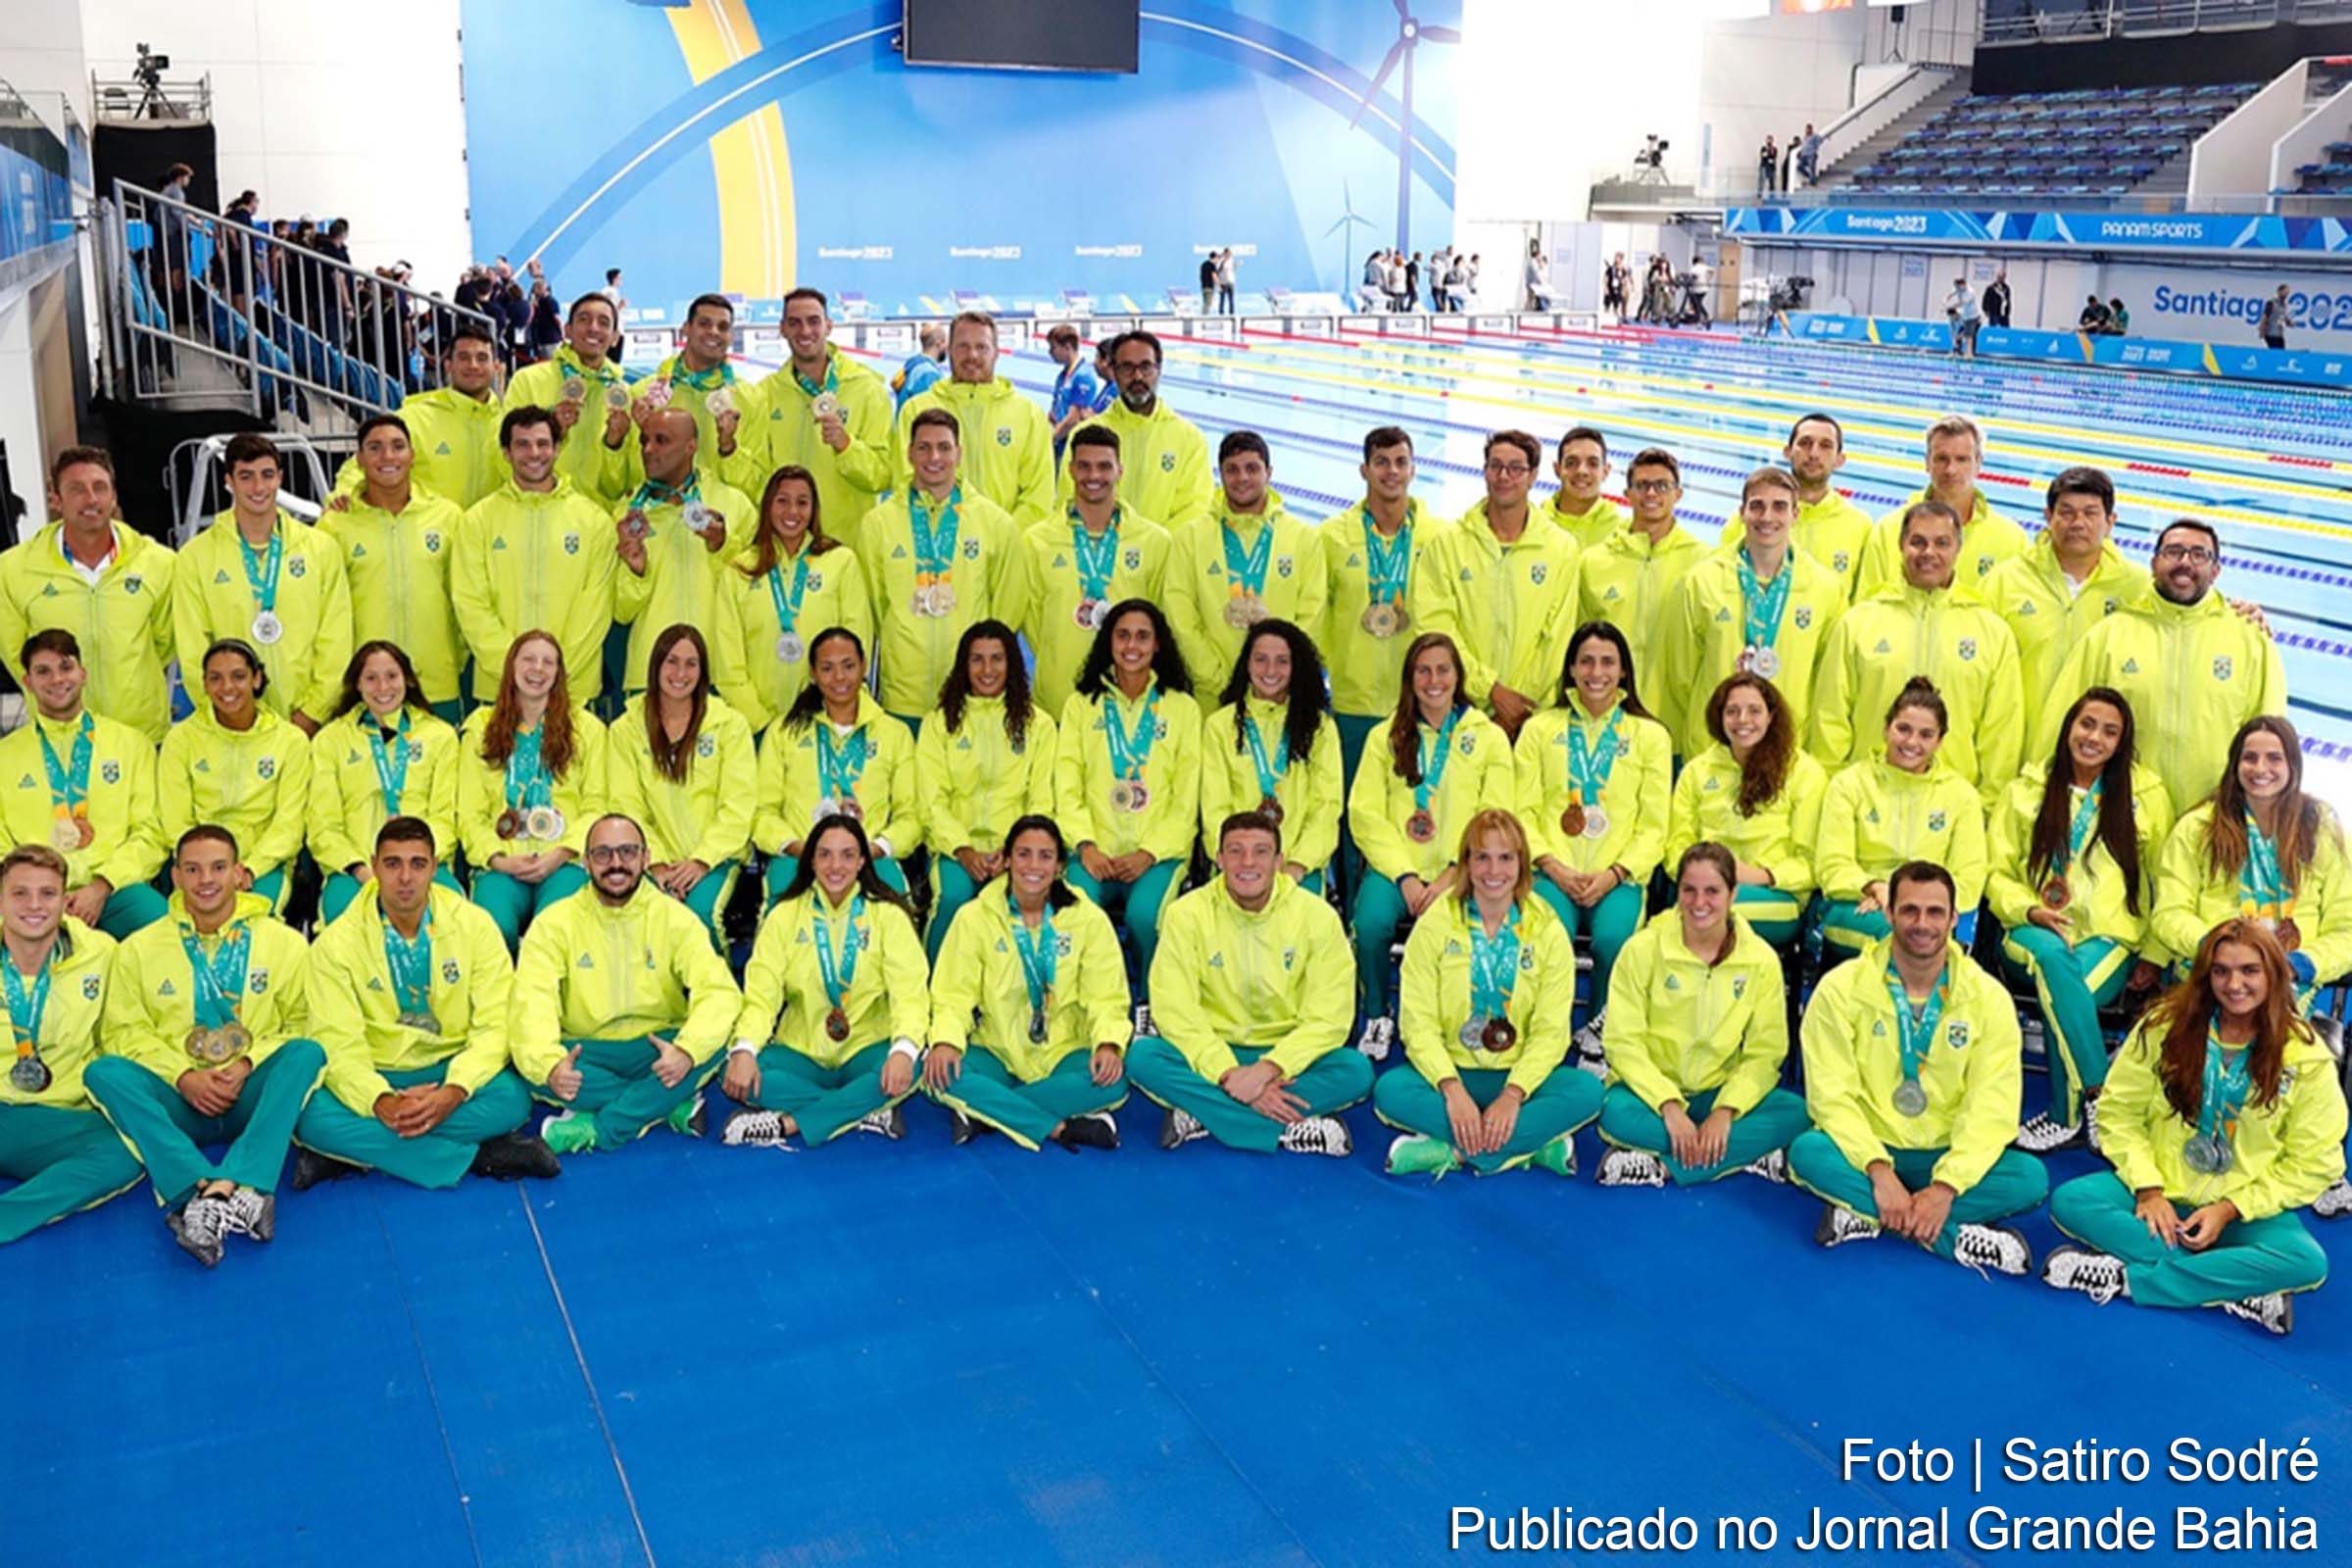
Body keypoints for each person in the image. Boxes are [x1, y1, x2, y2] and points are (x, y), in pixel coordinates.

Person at [2044, 920, 2343, 1335]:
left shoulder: (2305, 1055)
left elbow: (2315, 1161)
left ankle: (2128, 1279)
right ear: (2205, 976)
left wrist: (2232, 1208)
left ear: (2273, 974)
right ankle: (2233, 1286)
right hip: (2159, 1194)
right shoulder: (2164, 1028)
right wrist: (2148, 1188)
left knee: (2306, 1262)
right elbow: (2118, 1112)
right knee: (2072, 1201)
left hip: (2241, 1207)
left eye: (2249, 971)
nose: (2234, 984)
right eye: (2221, 971)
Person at [1788, 860, 2046, 1276]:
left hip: (1946, 1151)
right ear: (1888, 913)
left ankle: (1866, 1214)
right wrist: (1878, 1170)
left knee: (2030, 1179)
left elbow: (1992, 1109)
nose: (1921, 923)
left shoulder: (1988, 998)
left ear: (1954, 919)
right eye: (1909, 910)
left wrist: (1946, 1186)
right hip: (1870, 1149)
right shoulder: (1839, 989)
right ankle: (1954, 1238)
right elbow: (1831, 1097)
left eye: (1934, 912)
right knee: (1807, 1154)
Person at [86, 825, 325, 1267]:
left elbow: (303, 1022)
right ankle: (199, 1189)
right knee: (103, 1074)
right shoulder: (138, 949)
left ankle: (242, 1185)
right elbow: (123, 1033)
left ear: (239, 873)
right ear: (175, 877)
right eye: (192, 869)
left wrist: (249, 1064)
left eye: (218, 868)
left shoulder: (285, 943)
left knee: (307, 1055)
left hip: (249, 1095)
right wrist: (182, 1074)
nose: (206, 880)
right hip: (179, 1102)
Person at [293, 817, 555, 1189]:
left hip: (450, 1065)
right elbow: (337, 1043)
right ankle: (480, 1156)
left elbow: (495, 1025)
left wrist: (456, 1089)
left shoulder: (475, 927)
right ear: (374, 865)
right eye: (392, 864)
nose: (405, 878)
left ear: (434, 867)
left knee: (512, 1098)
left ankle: (355, 1152)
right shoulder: (336, 944)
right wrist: (380, 1099)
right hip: (380, 1070)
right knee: (311, 1115)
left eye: (417, 864)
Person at [1991, 688, 2172, 1152]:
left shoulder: (2145, 796)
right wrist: (2027, 909)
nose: (2094, 738)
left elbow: (2161, 881)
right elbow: (1994, 873)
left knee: (2067, 993)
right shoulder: (2027, 789)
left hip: (2107, 940)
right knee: (2054, 961)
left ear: (2122, 742)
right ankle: (2099, 1093)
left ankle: (2065, 1116)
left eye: (2109, 731)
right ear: (2069, 726)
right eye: (2086, 724)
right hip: (2029, 930)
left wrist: (2153, 953)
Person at [1129, 811, 1368, 1155]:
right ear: (1219, 859)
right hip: (1214, 1051)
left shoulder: (1317, 917)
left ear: (1278, 861)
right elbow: (1175, 1011)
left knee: (1356, 1070)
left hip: (1287, 1059)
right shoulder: (1185, 914)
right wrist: (1227, 1073)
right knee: (1142, 1056)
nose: (1247, 862)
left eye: (1260, 852)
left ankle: (1205, 1115)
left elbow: (1330, 1018)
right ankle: (1288, 1129)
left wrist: (1270, 1068)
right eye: (1236, 851)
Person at [1375, 808, 1594, 1176]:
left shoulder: (1548, 929)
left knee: (1587, 1092)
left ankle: (1453, 1152)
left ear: (1523, 864)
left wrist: (1513, 1095)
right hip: (1453, 1070)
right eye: (1483, 858)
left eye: (1506, 858)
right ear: (1466, 863)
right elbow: (1418, 1023)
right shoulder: (1435, 924)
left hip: (1520, 1076)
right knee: (1389, 1090)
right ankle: (1529, 1146)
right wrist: (1452, 1090)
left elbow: (1551, 1031)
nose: (1494, 872)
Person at [510, 813, 741, 1155]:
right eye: (602, 854)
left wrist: (687, 1050)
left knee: (723, 1038)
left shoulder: (675, 918)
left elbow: (718, 992)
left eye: (627, 852)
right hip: (586, 1053)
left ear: (646, 859)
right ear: (586, 863)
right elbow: (532, 1004)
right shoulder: (553, 923)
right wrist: (550, 1065)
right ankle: (666, 1104)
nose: (616, 864)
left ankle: (599, 1127)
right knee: (527, 1065)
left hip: (660, 1048)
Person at [1596, 842, 1808, 1187]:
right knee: (1609, 1113)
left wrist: (1726, 1111)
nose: (1699, 903)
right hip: (1649, 1095)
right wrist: (1668, 1104)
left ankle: (1662, 1167)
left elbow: (1765, 1054)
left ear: (1733, 893)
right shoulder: (1642, 949)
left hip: (1718, 1091)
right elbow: (1622, 1043)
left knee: (1798, 1112)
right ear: (1676, 892)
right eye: (1689, 890)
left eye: (1712, 891)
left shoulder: (1761, 960)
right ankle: (1737, 1155)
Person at [2044, 519, 2287, 818]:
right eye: (2173, 552)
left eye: (2199, 554)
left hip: (2217, 814)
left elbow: (2272, 734)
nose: (2185, 562)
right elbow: (2062, 721)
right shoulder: (2111, 634)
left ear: (2216, 570)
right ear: (2154, 563)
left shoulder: (2249, 637)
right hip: (2121, 812)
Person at [1347, 632, 1516, 1056]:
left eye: (1443, 669)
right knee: (1369, 925)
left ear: (1458, 677)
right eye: (1423, 670)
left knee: (1448, 935)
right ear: (1410, 679)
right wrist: (1403, 874)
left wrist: (1454, 873)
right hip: (1396, 869)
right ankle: (1377, 1013)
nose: (1433, 680)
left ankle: (1436, 1020)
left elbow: (1493, 814)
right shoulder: (1385, 736)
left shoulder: (1488, 736)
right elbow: (1366, 814)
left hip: (1464, 871)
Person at [720, 812, 928, 1149]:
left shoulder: (888, 915)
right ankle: (861, 1109)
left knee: (915, 1063)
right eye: (825, 854)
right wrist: (744, 1049)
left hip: (866, 1051)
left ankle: (787, 1123)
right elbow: (761, 998)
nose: (836, 866)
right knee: (734, 1068)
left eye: (847, 855)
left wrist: (903, 1050)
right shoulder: (784, 916)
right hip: (802, 1053)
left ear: (862, 861)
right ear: (811, 860)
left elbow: (911, 995)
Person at [924, 814, 1130, 1150]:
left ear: (1061, 866)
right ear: (1006, 860)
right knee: (934, 1075)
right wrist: (946, 1041)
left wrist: (1108, 1044)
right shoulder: (974, 917)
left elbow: (1107, 997)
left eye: (1045, 856)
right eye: (1023, 854)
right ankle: (1058, 1127)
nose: (1033, 865)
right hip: (997, 1050)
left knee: (1115, 1080)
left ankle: (986, 1110)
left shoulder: (1088, 919)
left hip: (1066, 1051)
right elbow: (952, 995)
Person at [1812, 499, 2024, 810]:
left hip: (1952, 809)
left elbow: (2001, 732)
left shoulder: (1991, 631)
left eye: (1942, 543)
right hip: (1868, 802)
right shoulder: (1859, 622)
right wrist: (1835, 795)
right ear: (1900, 546)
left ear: (1958, 550)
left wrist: (1987, 807)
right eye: (1918, 542)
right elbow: (1830, 718)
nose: (1929, 553)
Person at [1515, 622, 1670, 1046]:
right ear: (1570, 669)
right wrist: (1552, 865)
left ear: (1623, 672)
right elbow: (1521, 811)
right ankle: (1543, 1032)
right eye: (1586, 661)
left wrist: (1615, 874)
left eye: (1607, 662)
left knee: (1612, 940)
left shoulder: (1650, 736)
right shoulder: (1540, 730)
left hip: (1617, 877)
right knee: (1547, 939)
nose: (1596, 672)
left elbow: (1655, 826)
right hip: (1550, 873)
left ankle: (1599, 1032)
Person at [1054, 601, 1202, 997]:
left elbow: (1186, 801)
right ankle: (1090, 1000)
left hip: (1156, 855)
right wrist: (1084, 845)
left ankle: (1150, 1002)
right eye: (1122, 635)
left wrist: (1150, 853)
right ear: (1108, 642)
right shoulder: (1080, 706)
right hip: (1093, 852)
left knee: (1143, 918)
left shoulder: (1183, 708)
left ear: (1158, 645)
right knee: (1077, 910)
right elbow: (1066, 786)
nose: (1131, 645)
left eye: (1142, 636)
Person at [2153, 716, 2352, 1000]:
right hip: (2210, 974)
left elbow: (2347, 928)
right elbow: (2169, 913)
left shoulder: (2325, 832)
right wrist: (2217, 950)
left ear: (2293, 766)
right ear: (2235, 764)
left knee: (2271, 1041)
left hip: (2288, 983)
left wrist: (2301, 964)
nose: (2260, 769)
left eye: (2274, 758)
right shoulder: (2197, 828)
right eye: (2250, 758)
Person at [858, 407, 1032, 729]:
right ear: (909, 453)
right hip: (902, 693)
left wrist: (984, 671)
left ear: (959, 453)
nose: (933, 457)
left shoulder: (994, 523)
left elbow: (1007, 609)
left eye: (944, 447)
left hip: (972, 693)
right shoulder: (878, 523)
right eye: (923, 447)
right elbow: (871, 605)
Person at [0, 845, 140, 1245]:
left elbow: (117, 1035)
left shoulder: (103, 954)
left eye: (47, 894)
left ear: (65, 901)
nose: (34, 905)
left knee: (124, 1152)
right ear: (1, 899)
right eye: (20, 893)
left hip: (58, 1113)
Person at [174, 433, 353, 735]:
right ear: (228, 481)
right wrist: (229, 714)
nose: (258, 488)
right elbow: (193, 650)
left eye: (267, 475)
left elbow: (336, 638)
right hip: (235, 725)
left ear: (280, 478)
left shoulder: (321, 549)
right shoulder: (196, 557)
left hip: (309, 724)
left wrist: (314, 712)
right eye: (246, 477)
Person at [1657, 466, 1841, 756]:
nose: (1767, 517)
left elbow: (1826, 681)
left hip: (1786, 748)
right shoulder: (1701, 580)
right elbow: (1680, 675)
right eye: (1757, 506)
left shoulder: (1825, 587)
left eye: (1779, 507)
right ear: (1742, 512)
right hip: (1713, 747)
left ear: (1796, 514)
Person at [1414, 431, 1584, 740]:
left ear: (1533, 476)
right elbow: (1436, 628)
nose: (1504, 476)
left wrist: (1517, 705)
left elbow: (1556, 638)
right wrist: (1488, 690)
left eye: (1516, 468)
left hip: (1531, 719)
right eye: (1496, 466)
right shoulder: (1446, 545)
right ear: (1485, 471)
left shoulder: (1561, 548)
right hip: (1459, 711)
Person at [1, 447, 177, 743]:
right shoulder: (12, 569)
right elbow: (14, 652)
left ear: (114, 497)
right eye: (76, 490)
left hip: (140, 737)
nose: (91, 499)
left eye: (100, 488)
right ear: (56, 500)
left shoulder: (158, 562)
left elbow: (165, 643)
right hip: (60, 738)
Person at [0, 630, 167, 938]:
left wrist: (102, 885)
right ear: (28, 683)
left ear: (83, 673)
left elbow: (151, 832)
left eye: (65, 667)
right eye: (43, 671)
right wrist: (39, 890)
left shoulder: (131, 744)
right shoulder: (5, 756)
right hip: (31, 895)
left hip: (116, 890)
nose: (56, 679)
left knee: (168, 934)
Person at [453, 407, 621, 708]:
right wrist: (513, 669)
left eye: (543, 444)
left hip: (573, 691)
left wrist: (554, 671)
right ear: (506, 452)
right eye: (522, 444)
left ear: (558, 448)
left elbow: (596, 607)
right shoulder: (477, 520)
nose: (534, 453)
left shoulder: (594, 520)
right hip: (499, 689)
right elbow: (471, 603)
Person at [605, 624, 757, 947]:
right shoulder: (625, 730)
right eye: (671, 661)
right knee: (639, 918)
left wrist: (702, 860)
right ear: (656, 665)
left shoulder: (729, 725)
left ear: (703, 672)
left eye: (691, 664)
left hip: (717, 860)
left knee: (701, 916)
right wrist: (656, 862)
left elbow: (738, 805)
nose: (680, 673)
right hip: (649, 860)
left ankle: (716, 996)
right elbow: (625, 806)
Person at [916, 620, 1058, 960]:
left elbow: (1040, 801)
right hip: (956, 850)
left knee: (1012, 903)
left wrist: (1013, 852)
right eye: (977, 659)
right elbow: (931, 801)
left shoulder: (1039, 724)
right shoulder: (938, 724)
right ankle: (933, 991)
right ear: (963, 666)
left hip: (1017, 852)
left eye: (997, 659)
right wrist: (963, 849)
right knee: (951, 898)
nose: (987, 669)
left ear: (1012, 664)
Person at [1816, 678, 1987, 956]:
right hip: (1858, 904)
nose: (1911, 742)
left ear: (1940, 740)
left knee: (1917, 929)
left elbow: (1969, 879)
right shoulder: (1849, 784)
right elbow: (1831, 865)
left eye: (1925, 734)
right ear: (1886, 728)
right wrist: (1876, 888)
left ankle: (1920, 1000)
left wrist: (1909, 902)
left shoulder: (1961, 795)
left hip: (1929, 911)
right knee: (1905, 932)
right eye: (1903, 729)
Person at [457, 631, 605, 952]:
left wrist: (563, 853)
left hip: (565, 862)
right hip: (501, 865)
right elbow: (469, 813)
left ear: (558, 673)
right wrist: (497, 860)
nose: (537, 669)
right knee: (491, 931)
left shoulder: (587, 729)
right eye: (528, 659)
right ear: (511, 666)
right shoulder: (480, 727)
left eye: (547, 662)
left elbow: (597, 805)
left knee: (554, 933)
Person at [752, 625, 920, 902]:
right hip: (799, 857)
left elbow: (911, 817)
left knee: (897, 916)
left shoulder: (895, 733)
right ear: (813, 674)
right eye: (827, 668)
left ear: (864, 666)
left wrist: (871, 849)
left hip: (870, 860)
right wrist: (803, 849)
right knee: (780, 917)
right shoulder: (784, 732)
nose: (839, 677)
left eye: (848, 666)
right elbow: (762, 814)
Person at [1319, 426, 1446, 788]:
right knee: (1349, 811)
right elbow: (1314, 615)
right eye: (1381, 462)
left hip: (1418, 700)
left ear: (1413, 470)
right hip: (1350, 703)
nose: (1391, 471)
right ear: (1365, 470)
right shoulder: (1331, 536)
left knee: (1411, 809)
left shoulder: (1439, 538)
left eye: (1400, 462)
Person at [1981, 466, 2147, 741]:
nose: (2078, 523)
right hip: (2018, 743)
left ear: (2110, 521)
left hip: (2097, 753)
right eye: (2066, 512)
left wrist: (2240, 612)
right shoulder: (2005, 581)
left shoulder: (2138, 587)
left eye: (2090, 513)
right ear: (2048, 517)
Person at [318, 414, 468, 715]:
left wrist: (456, 659)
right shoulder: (336, 524)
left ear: (412, 455)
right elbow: (326, 610)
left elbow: (465, 598)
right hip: (367, 687)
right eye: (374, 448)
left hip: (436, 684)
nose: (387, 456)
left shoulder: (448, 517)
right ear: (359, 459)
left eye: (398, 446)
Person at [1666, 674, 1830, 950]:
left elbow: (1811, 863)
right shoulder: (1697, 771)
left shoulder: (1804, 772)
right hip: (1705, 889)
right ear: (1719, 717)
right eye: (1732, 711)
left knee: (1704, 915)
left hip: (1776, 894)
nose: (1743, 720)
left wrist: (1758, 875)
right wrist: (1709, 876)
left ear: (1771, 716)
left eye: (1754, 711)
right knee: (1664, 928)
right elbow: (1675, 848)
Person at [308, 641, 464, 924]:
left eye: (392, 676)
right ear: (357, 684)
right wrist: (361, 869)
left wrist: (416, 864)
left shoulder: (439, 736)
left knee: (453, 918)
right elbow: (323, 825)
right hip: (354, 869)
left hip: (425, 864)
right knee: (343, 920)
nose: (383, 687)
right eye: (371, 678)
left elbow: (445, 817)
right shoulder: (330, 740)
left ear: (408, 680)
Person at [1161, 431, 1326, 695]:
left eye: (1252, 468)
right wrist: (1216, 677)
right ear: (1221, 474)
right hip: (1212, 693)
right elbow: (1180, 615)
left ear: (1269, 473)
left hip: (1280, 692)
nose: (1242, 478)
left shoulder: (1303, 538)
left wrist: (1277, 674)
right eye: (1232, 470)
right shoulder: (1189, 538)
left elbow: (1312, 616)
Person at [1025, 425, 1171, 715]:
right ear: (1070, 470)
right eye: (1084, 466)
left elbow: (1159, 621)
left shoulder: (1155, 542)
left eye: (1104, 466)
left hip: (1130, 699)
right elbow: (1032, 623)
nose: (1094, 476)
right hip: (1058, 699)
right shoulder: (1036, 541)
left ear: (1120, 470)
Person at [158, 641, 313, 914]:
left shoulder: (290, 741)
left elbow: (288, 825)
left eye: (238, 676)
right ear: (204, 684)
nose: (227, 687)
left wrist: (249, 869)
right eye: (215, 678)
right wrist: (208, 868)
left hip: (262, 865)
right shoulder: (181, 739)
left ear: (257, 679)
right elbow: (175, 820)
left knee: (256, 925)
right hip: (199, 864)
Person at [612, 406, 755, 702]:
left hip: (717, 675)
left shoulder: (735, 506)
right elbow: (621, 612)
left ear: (691, 446)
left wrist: (720, 546)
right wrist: (637, 571)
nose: (648, 450)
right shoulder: (627, 515)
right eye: (643, 441)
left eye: (661, 440)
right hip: (649, 674)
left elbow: (751, 598)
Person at [738, 288, 895, 553]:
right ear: (782, 329)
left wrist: (846, 446)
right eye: (794, 323)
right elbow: (756, 481)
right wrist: (730, 449)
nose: (804, 331)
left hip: (845, 547)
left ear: (828, 326)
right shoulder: (765, 394)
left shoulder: (867, 391)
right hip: (785, 547)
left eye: (813, 321)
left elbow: (883, 476)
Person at [719, 463, 872, 731]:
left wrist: (833, 711)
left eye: (802, 502)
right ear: (767, 506)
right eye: (782, 501)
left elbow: (856, 643)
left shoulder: (841, 561)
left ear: (813, 509)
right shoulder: (740, 570)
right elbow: (727, 657)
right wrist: (759, 723)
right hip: (756, 726)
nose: (792, 511)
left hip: (825, 722)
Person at [1200, 619, 1344, 893]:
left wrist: (1298, 864)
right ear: (1246, 664)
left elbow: (1327, 806)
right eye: (1261, 659)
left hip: (1299, 867)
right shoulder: (1220, 725)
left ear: (1296, 667)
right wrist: (1242, 861)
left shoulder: (1320, 728)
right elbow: (1214, 806)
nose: (1270, 670)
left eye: (1282, 662)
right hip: (1236, 866)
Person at [1577, 447, 1706, 717]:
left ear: (1678, 494)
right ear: (1627, 495)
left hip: (1676, 718)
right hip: (1608, 717)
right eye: (1642, 485)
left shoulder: (1703, 562)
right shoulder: (1594, 561)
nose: (1651, 493)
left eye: (1662, 485)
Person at [892, 313, 1054, 524]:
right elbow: (905, 484)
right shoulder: (916, 410)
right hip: (936, 548)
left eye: (982, 347)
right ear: (948, 350)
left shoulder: (1029, 414)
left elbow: (1038, 495)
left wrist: (1004, 540)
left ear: (996, 353)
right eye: (963, 346)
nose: (973, 355)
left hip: (1007, 550)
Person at [1852, 416, 2028, 597]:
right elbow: (1865, 609)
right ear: (1927, 462)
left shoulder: (2011, 539)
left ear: (1978, 463)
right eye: (1941, 459)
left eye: (1961, 459)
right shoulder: (1887, 531)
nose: (1950, 470)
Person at [1056, 330, 1212, 533]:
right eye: (1127, 368)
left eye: (1146, 367)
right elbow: (1067, 503)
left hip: (1165, 559)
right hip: (1099, 558)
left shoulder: (1189, 438)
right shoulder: (1085, 435)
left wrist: (1151, 547)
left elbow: (1196, 509)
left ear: (1159, 370)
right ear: (1113, 371)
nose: (1137, 376)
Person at [343, 324, 505, 509]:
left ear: (496, 367)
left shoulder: (508, 424)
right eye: (464, 357)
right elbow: (364, 464)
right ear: (448, 365)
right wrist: (343, 495)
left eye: (482, 358)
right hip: (430, 534)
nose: (473, 365)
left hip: (488, 535)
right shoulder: (415, 418)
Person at [1721, 414, 1873, 608]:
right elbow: (1721, 585)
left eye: (1825, 445)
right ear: (1788, 452)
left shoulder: (1859, 525)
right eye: (1805, 443)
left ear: (1839, 460)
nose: (1814, 453)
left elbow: (1863, 605)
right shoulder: (1750, 519)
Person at [501, 292, 634, 507]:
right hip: (537, 510)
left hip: (596, 520)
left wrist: (614, 446)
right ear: (567, 330)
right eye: (584, 319)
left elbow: (618, 487)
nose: (593, 328)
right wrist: (554, 433)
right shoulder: (528, 380)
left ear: (614, 337)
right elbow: (504, 459)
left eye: (603, 322)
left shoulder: (624, 394)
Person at [633, 293, 761, 495]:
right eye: (704, 323)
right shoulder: (645, 395)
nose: (714, 332)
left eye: (723, 327)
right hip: (658, 519)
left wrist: (729, 448)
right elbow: (624, 479)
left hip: (724, 520)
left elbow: (758, 486)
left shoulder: (751, 399)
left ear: (731, 336)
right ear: (686, 328)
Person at [1544, 425, 1624, 552]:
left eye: (1593, 463)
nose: (1582, 471)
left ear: (1605, 471)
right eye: (1571, 463)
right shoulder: (1535, 522)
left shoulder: (1621, 532)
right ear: (1557, 469)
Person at [1045, 324, 1104, 460]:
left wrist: (1049, 441)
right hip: (1060, 443)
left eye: (1053, 347)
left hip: (1072, 448)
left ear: (1067, 347)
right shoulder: (1063, 375)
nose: (1050, 352)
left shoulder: (1083, 376)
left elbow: (1074, 418)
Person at [893, 323, 948, 412]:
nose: (947, 348)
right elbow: (929, 414)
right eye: (945, 342)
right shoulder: (928, 374)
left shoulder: (912, 367)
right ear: (939, 344)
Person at [1946, 278, 1982, 358]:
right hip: (1967, 316)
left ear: (1963, 284)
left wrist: (1948, 306)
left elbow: (1961, 303)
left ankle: (1969, 354)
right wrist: (1946, 298)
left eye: (1958, 286)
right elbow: (1952, 293)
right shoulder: (1959, 288)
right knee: (1961, 336)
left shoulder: (1970, 292)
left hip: (1974, 316)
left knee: (1969, 336)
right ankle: (1956, 352)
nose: (1957, 288)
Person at [2258, 284, 2291, 350]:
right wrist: (2262, 330)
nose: (2286, 295)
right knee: (2275, 352)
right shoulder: (2271, 303)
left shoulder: (2284, 305)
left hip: (2279, 333)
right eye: (2285, 293)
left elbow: (2283, 317)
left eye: (2287, 294)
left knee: (2282, 351)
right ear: (2279, 291)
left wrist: (2289, 322)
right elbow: (2265, 317)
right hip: (2271, 333)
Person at [1602, 254, 1629, 322]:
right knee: (1607, 305)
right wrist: (1605, 288)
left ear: (1621, 259)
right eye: (1615, 258)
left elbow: (1625, 280)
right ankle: (1605, 319)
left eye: (1617, 258)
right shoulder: (1611, 268)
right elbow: (1605, 278)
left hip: (1617, 289)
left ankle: (1615, 319)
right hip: (1610, 289)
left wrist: (1624, 290)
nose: (1616, 259)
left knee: (1616, 306)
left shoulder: (1623, 270)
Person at [1216, 247, 1238, 315]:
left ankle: (1232, 313)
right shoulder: (1220, 261)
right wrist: (1222, 260)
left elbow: (1233, 269)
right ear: (1225, 253)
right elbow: (1217, 269)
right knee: (1222, 299)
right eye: (1227, 253)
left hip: (1230, 282)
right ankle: (1221, 313)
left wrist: (1236, 265)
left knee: (1231, 299)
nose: (1229, 255)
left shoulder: (1231, 261)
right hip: (1223, 283)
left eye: (1230, 253)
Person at [1757, 135, 1778, 199]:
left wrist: (1769, 154)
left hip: (1772, 167)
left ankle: (1772, 196)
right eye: (1768, 139)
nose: (1769, 141)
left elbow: (1774, 157)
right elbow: (1763, 156)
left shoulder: (1774, 149)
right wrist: (1768, 154)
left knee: (1772, 182)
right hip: (1764, 166)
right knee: (1761, 181)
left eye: (1771, 140)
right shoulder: (1763, 148)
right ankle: (1759, 195)